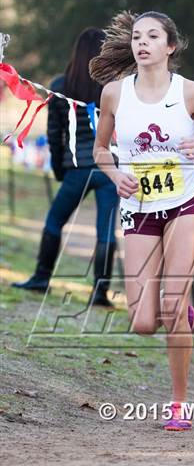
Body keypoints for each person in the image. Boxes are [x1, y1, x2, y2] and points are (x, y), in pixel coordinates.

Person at [89, 10, 194, 430]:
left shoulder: (191, 93)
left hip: (184, 205)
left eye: (152, 36)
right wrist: (115, 173)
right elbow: (101, 149)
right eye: (137, 36)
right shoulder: (114, 94)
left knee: (172, 306)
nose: (142, 43)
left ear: (169, 46)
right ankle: (179, 314)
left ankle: (178, 404)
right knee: (141, 323)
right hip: (139, 209)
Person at [12, 28, 119, 307]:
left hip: (76, 168)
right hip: (110, 168)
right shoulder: (115, 88)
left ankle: (41, 278)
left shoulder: (61, 85)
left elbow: (54, 134)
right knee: (106, 231)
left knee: (54, 221)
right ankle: (100, 292)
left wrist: (60, 170)